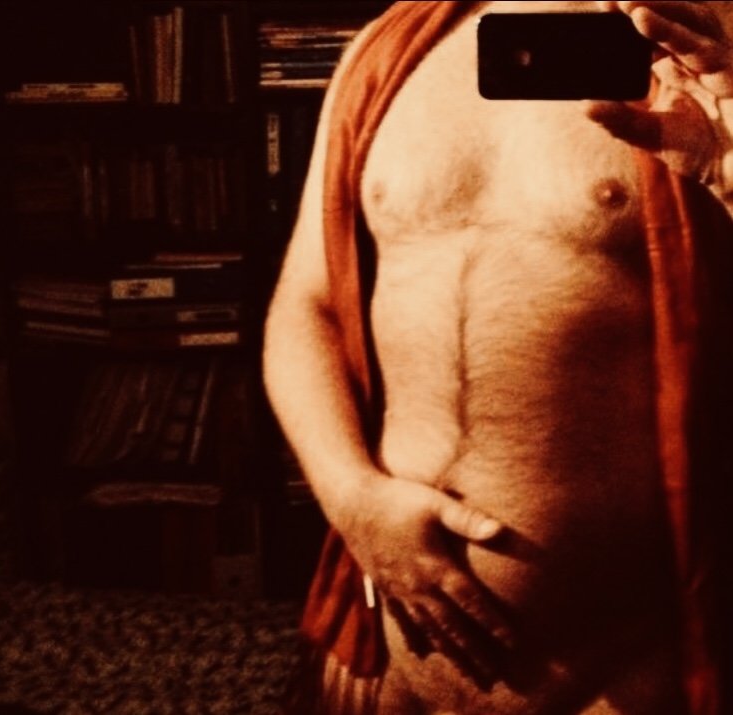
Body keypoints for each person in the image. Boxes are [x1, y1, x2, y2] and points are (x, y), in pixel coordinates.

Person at [263, 1, 733, 713]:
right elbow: (308, 305)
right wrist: (352, 499)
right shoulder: (385, 50)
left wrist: (728, 172)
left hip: (624, 671)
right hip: (391, 668)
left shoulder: (709, 51)